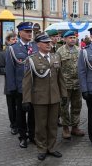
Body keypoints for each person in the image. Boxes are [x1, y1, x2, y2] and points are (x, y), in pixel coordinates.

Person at [22, 33, 67, 161]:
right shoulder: (31, 59)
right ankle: (41, 148)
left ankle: (51, 148)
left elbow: (61, 78)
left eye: (49, 42)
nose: (49, 44)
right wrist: (26, 99)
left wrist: (63, 94)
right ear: (38, 44)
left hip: (54, 97)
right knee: (41, 125)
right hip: (39, 98)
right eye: (45, 42)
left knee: (52, 124)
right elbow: (26, 82)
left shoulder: (55, 57)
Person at [5, 22, 38, 148]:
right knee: (21, 114)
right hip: (20, 87)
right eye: (27, 31)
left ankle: (32, 135)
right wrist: (12, 88)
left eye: (31, 31)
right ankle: (23, 137)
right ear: (20, 33)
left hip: (35, 87)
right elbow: (10, 70)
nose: (30, 33)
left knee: (33, 113)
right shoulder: (13, 48)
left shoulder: (35, 46)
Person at [56, 30, 85, 139]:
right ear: (64, 39)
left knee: (77, 106)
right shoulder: (60, 51)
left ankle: (75, 127)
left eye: (74, 37)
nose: (73, 39)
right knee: (64, 107)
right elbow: (57, 69)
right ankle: (65, 128)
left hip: (77, 84)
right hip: (65, 85)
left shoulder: (80, 50)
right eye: (70, 38)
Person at [0, 33, 18, 135]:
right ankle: (13, 125)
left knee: (20, 106)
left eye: (16, 39)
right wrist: (11, 70)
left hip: (20, 86)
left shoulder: (20, 51)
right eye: (13, 39)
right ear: (8, 41)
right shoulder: (3, 53)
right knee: (11, 107)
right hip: (9, 86)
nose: (15, 41)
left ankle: (20, 124)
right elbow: (0, 69)